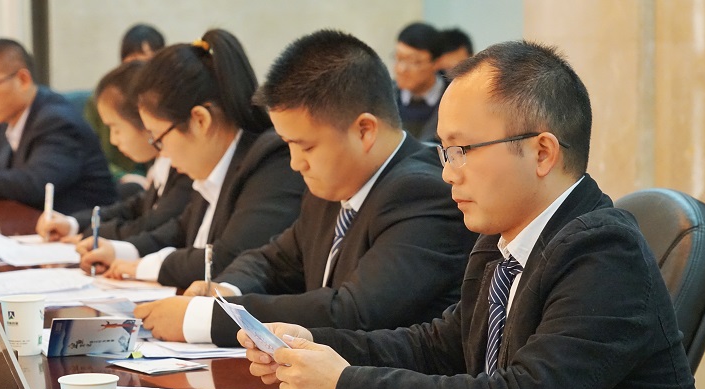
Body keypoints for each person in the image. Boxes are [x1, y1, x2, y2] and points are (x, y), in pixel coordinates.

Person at [242, 40, 705, 389]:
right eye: (443, 151)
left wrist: (345, 388)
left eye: (462, 151)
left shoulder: (604, 252)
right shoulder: (502, 241)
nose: (447, 172)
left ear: (542, 152)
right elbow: (438, 347)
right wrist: (314, 344)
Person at [135, 30, 476, 347]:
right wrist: (226, 288)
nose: (295, 163)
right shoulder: (332, 187)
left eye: (306, 147)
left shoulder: (421, 192)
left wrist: (207, 318)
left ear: (364, 131)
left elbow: (352, 312)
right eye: (288, 144)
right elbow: (271, 260)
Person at [76, 30, 305, 291]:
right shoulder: (214, 167)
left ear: (200, 121)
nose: (161, 152)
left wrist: (142, 267)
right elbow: (179, 230)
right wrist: (122, 251)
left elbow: (228, 257)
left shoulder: (272, 163)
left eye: (158, 138)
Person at [0, 39, 116, 214]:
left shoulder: (57, 121)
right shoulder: (15, 116)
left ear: (23, 79)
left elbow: (33, 184)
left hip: (83, 229)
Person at [35, 60, 194, 242]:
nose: (112, 140)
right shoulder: (163, 165)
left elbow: (153, 224)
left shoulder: (185, 168)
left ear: (146, 121)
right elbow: (135, 207)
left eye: (116, 128)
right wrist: (73, 224)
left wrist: (91, 235)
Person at [84, 23, 167, 197]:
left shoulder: (165, 107)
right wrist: (123, 176)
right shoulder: (103, 101)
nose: (142, 71)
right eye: (134, 62)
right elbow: (90, 153)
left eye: (149, 62)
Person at [393, 22, 446, 143]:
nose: (401, 69)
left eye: (413, 61)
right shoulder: (384, 96)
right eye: (398, 58)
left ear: (437, 62)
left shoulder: (453, 97)